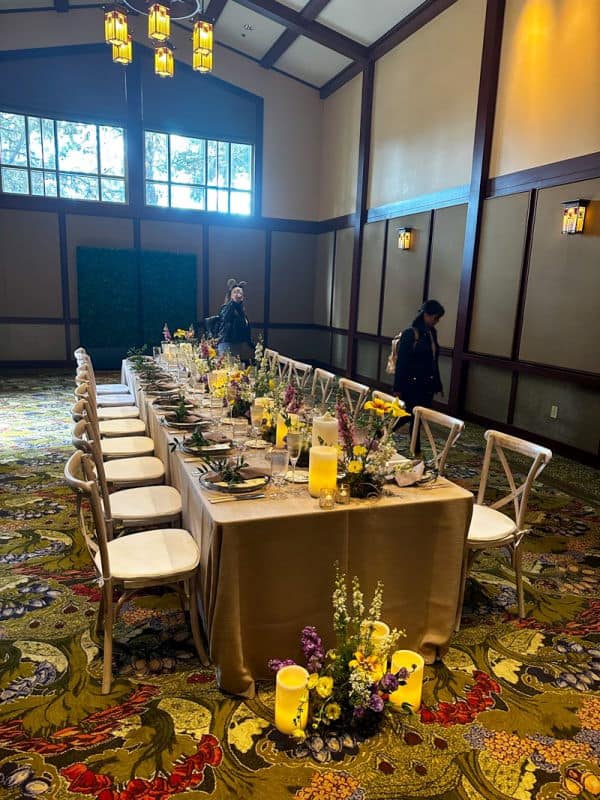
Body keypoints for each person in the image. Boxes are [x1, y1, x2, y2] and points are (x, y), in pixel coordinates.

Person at [393, 299, 445, 455]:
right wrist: (398, 388)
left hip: (426, 384)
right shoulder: (411, 333)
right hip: (412, 383)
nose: (436, 322)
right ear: (426, 315)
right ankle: (386, 432)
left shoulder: (431, 333)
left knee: (417, 417)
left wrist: (437, 383)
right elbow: (402, 362)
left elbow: (433, 361)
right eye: (435, 318)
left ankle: (414, 447)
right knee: (409, 414)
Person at [217, 279, 254, 361]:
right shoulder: (226, 307)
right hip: (226, 343)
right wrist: (233, 302)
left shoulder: (241, 311)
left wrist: (252, 345)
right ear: (230, 295)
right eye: (235, 292)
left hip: (237, 345)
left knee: (234, 371)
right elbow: (225, 318)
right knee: (226, 370)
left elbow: (244, 328)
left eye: (240, 293)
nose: (238, 294)